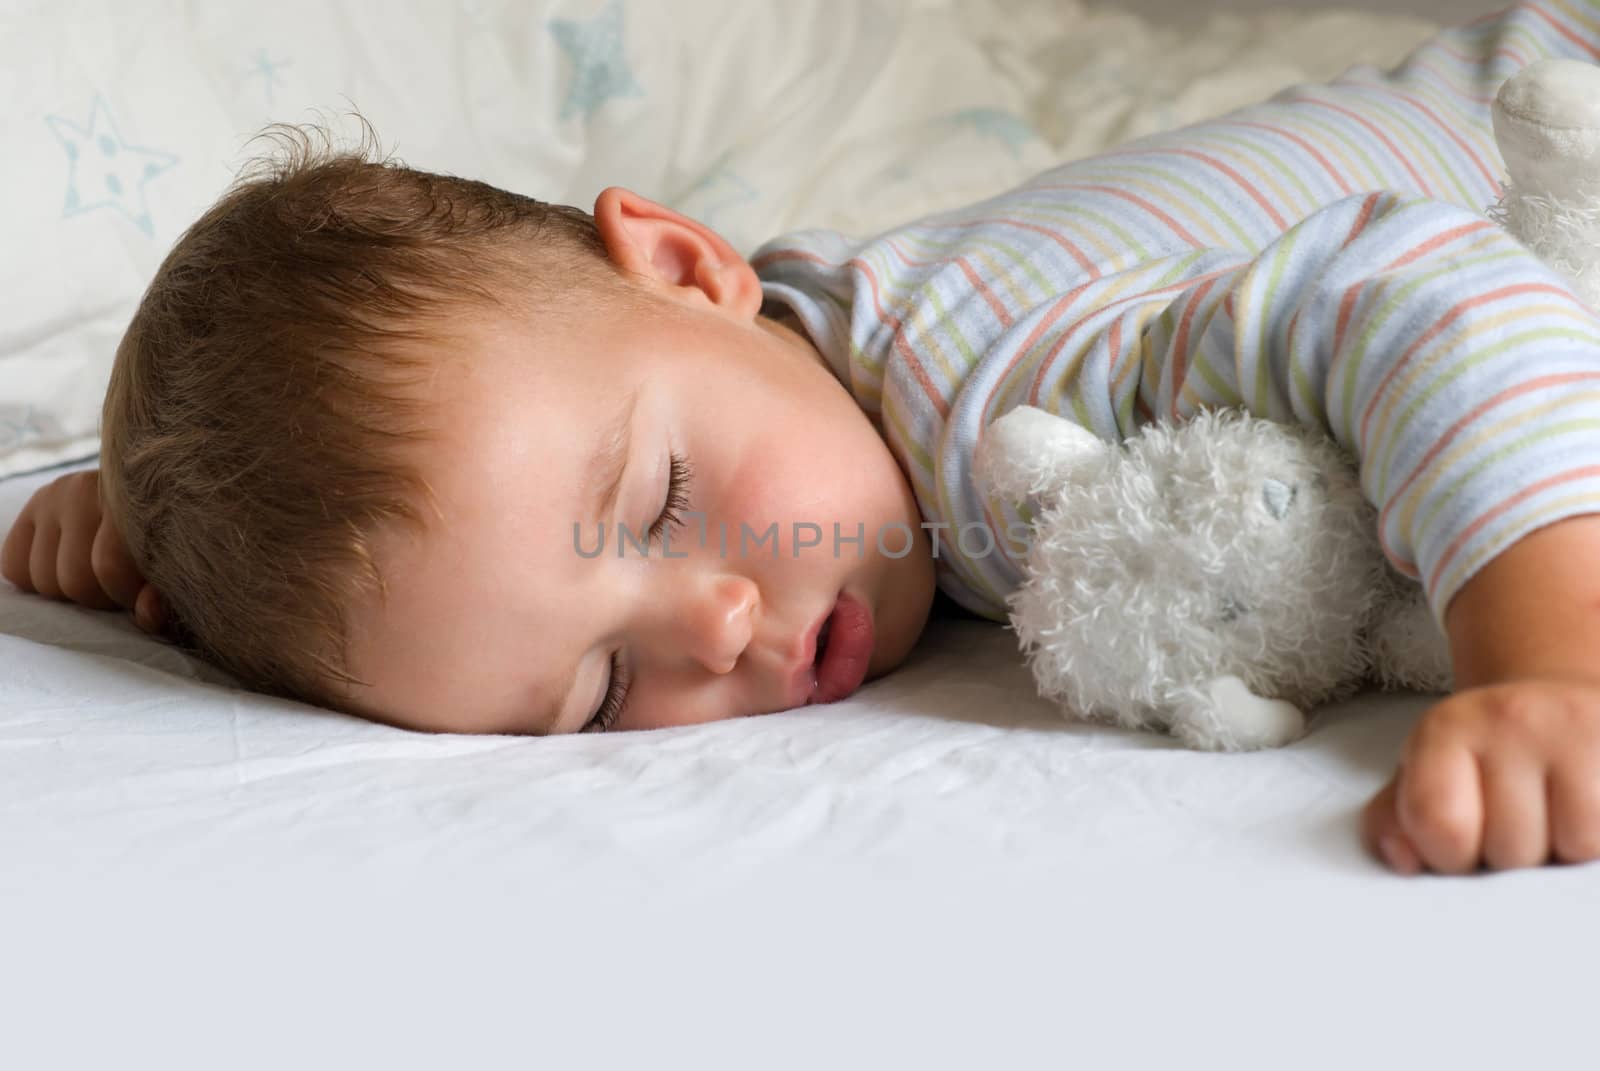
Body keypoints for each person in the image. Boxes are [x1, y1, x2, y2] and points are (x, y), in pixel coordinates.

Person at [7, 0, 1600, 876]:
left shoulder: (1002, 407)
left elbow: (1420, 283)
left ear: (698, 267)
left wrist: (1550, 659)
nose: (716, 626)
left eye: (660, 502)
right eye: (605, 692)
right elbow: (447, 521)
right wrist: (168, 520)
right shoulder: (766, 350)